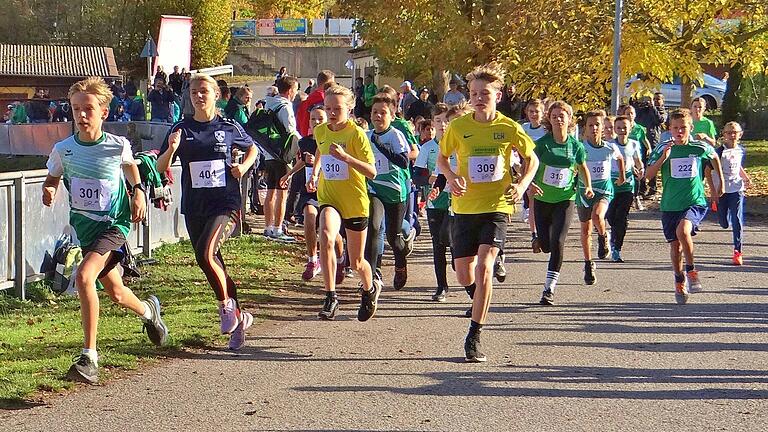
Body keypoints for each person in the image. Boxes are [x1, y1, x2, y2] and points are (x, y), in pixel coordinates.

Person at [42, 77, 168, 384]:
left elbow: (130, 167)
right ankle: (151, 313)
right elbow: (52, 177)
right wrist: (49, 190)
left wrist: (138, 191)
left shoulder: (116, 145)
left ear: (103, 113)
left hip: (114, 226)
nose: (82, 115)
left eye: (88, 109)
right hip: (86, 231)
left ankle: (89, 357)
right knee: (115, 291)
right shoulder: (63, 149)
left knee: (84, 277)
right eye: (76, 109)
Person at [437, 63, 539, 362]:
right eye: (474, 94)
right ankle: (478, 295)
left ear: (498, 95)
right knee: (463, 274)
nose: (479, 98)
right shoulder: (459, 127)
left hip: (497, 206)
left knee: (484, 267)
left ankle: (474, 334)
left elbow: (531, 160)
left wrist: (521, 186)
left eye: (485, 93)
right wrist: (451, 176)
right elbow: (442, 158)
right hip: (465, 206)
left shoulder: (508, 127)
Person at [157, 73, 260, 349]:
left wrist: (243, 167)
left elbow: (252, 150)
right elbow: (159, 166)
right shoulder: (181, 127)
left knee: (206, 253)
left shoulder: (228, 126)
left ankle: (226, 307)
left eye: (204, 91)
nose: (199, 96)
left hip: (225, 203)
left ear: (216, 95)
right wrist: (171, 149)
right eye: (194, 92)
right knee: (212, 262)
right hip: (195, 206)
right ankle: (239, 317)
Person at [306, 84, 380, 321]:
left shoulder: (355, 134)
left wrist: (346, 157)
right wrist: (315, 173)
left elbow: (372, 172)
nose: (332, 113)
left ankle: (369, 289)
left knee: (357, 261)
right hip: (329, 196)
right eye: (328, 108)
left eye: (337, 108)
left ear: (349, 108)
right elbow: (321, 150)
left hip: (355, 201)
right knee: (326, 235)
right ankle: (330, 295)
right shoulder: (321, 131)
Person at [645, 109, 724, 304]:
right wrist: (664, 157)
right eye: (675, 128)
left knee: (683, 231)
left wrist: (720, 182)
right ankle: (679, 280)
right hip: (670, 204)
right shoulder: (663, 147)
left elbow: (714, 157)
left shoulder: (699, 147)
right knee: (675, 246)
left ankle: (691, 270)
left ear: (691, 128)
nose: (679, 132)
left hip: (694, 200)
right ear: (669, 129)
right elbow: (648, 175)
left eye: (683, 128)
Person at [531, 101, 592, 305]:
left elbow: (583, 168)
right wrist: (529, 183)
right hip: (542, 198)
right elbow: (528, 165)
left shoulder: (576, 146)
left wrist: (588, 186)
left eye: (562, 115)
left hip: (566, 198)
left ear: (569, 119)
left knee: (558, 242)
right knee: (546, 245)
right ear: (549, 119)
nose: (558, 119)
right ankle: (540, 239)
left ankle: (549, 289)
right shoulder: (542, 144)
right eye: (555, 115)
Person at [280, 106, 346, 281]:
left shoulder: (333, 141)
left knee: (332, 232)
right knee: (309, 217)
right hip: (310, 190)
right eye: (312, 119)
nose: (316, 122)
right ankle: (312, 260)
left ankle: (340, 259)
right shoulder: (304, 142)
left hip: (330, 190)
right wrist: (289, 174)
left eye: (320, 119)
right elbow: (302, 161)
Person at [365, 92, 413, 290]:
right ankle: (372, 276)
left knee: (394, 238)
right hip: (374, 188)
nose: (378, 116)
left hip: (395, 192)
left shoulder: (395, 135)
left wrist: (381, 146)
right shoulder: (366, 136)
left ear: (392, 116)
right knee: (374, 228)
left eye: (382, 113)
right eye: (374, 112)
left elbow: (403, 161)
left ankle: (401, 262)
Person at [576, 110, 625, 284]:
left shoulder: (609, 147)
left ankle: (604, 235)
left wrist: (622, 177)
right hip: (583, 192)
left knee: (598, 215)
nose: (594, 128)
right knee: (585, 230)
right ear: (585, 129)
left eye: (598, 124)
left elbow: (620, 159)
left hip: (604, 190)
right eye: (591, 125)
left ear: (603, 127)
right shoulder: (580, 147)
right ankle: (588, 263)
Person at [413, 102, 454, 301]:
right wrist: (433, 179)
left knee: (452, 240)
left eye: (446, 120)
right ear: (433, 124)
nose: (443, 125)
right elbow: (417, 177)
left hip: (457, 200)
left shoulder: (458, 144)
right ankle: (441, 286)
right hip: (434, 201)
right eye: (438, 121)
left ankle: (459, 262)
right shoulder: (428, 148)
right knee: (438, 245)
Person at [263, 76, 301, 242]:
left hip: (268, 152)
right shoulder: (285, 107)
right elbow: (291, 130)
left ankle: (268, 226)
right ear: (291, 90)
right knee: (282, 192)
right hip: (282, 154)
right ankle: (278, 228)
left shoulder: (268, 103)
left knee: (270, 191)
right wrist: (303, 144)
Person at [606, 115, 644, 263]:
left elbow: (638, 161)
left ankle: (617, 248)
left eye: (624, 127)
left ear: (630, 128)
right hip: (611, 184)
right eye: (619, 128)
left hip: (627, 185)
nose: (622, 130)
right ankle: (611, 237)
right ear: (615, 129)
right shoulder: (609, 145)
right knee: (611, 216)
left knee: (622, 217)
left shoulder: (633, 144)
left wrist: (641, 170)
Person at [715, 121, 751, 265]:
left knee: (737, 219)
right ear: (723, 135)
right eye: (729, 132)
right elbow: (708, 169)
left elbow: (738, 166)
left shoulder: (741, 150)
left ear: (740, 134)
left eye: (735, 132)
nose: (732, 135)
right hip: (722, 190)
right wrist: (713, 188)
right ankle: (724, 218)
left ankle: (738, 251)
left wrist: (746, 177)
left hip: (737, 188)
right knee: (724, 222)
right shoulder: (719, 152)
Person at [521, 99, 547, 250]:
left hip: (544, 169)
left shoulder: (545, 130)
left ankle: (544, 229)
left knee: (543, 203)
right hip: (529, 169)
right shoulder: (524, 128)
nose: (533, 115)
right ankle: (534, 234)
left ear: (543, 114)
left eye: (537, 112)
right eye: (531, 111)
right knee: (532, 202)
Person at [618, 104, 651, 209]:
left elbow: (644, 139)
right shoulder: (621, 127)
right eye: (628, 113)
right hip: (624, 156)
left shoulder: (639, 128)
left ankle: (636, 197)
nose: (630, 115)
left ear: (635, 115)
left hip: (636, 156)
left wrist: (649, 148)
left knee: (637, 176)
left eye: (632, 113)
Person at [634, 93, 667, 196]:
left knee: (652, 164)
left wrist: (653, 107)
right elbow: (636, 119)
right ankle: (642, 188)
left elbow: (660, 120)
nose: (656, 101)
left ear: (662, 101)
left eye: (658, 99)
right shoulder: (644, 110)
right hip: (641, 140)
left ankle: (653, 188)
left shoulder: (662, 111)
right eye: (654, 99)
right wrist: (638, 104)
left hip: (653, 140)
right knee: (641, 164)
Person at [297, 70, 335, 137]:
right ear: (328, 84)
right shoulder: (325, 101)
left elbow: (298, 124)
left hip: (305, 139)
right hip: (321, 138)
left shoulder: (305, 102)